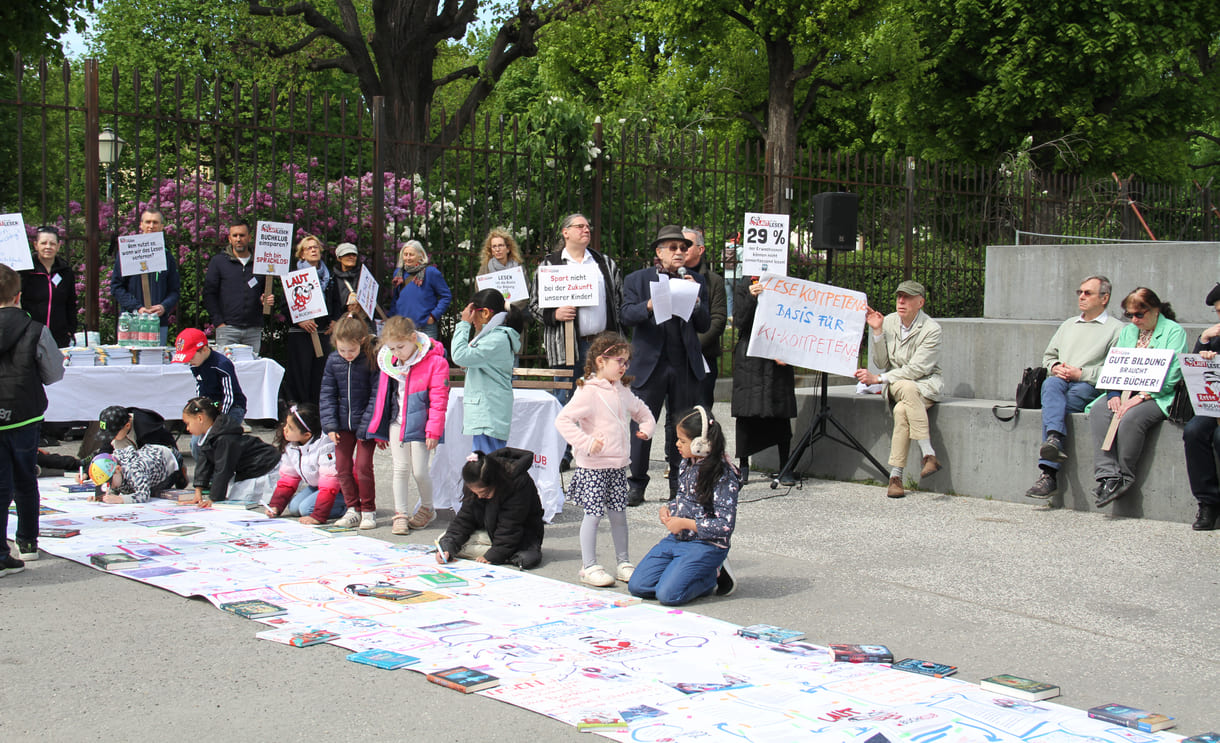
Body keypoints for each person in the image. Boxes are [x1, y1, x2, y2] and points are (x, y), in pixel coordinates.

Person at [555, 331, 656, 588]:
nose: (624, 367)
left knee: (619, 514)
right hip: (593, 467)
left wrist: (647, 427)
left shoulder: (622, 390)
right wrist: (586, 443)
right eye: (619, 361)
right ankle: (588, 565)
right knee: (593, 514)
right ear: (601, 361)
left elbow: (642, 411)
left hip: (617, 465)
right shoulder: (588, 391)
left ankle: (624, 562)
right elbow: (563, 420)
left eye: (627, 362)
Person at [620, 225, 711, 505]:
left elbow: (704, 325)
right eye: (673, 248)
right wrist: (648, 305)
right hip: (650, 364)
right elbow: (625, 315)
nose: (679, 252)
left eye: (683, 247)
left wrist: (697, 303)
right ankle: (636, 483)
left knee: (681, 426)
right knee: (643, 424)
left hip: (683, 364)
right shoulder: (637, 279)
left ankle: (679, 484)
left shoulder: (695, 280)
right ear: (659, 252)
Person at [627, 406, 740, 606]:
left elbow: (724, 526)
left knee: (668, 595)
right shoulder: (686, 463)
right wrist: (669, 509)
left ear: (700, 444)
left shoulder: (722, 474)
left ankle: (712, 575)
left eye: (683, 441)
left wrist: (685, 524)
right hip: (678, 538)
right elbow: (683, 497)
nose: (677, 444)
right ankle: (683, 572)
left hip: (707, 544)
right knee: (638, 586)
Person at [1088, 287, 1187, 509]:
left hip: (1158, 394)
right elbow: (1116, 365)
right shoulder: (1128, 332)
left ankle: (1125, 475)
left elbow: (1173, 374)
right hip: (1125, 389)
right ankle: (1107, 475)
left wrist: (1141, 396)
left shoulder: (1174, 331)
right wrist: (1114, 393)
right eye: (1129, 315)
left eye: (1139, 314)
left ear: (1155, 310)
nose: (1134, 320)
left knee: (1132, 418)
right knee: (1100, 410)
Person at [1025, 276, 1122, 499]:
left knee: (1055, 408)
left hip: (1089, 385)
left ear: (1104, 298)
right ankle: (1053, 440)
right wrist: (1055, 366)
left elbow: (1115, 370)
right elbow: (1048, 357)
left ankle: (1048, 472)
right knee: (1051, 383)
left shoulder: (1117, 329)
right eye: (1080, 292)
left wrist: (1082, 374)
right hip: (1060, 381)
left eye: (1088, 293)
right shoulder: (1068, 325)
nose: (1081, 296)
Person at [0, 262, 65, 574]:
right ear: (18, 296)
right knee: (25, 479)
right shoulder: (35, 329)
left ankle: (1, 554)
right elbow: (54, 373)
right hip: (25, 414)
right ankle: (27, 542)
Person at [853, 279, 944, 498]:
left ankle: (896, 476)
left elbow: (917, 369)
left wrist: (878, 379)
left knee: (902, 409)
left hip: (925, 384)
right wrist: (877, 331)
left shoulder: (931, 329)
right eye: (899, 296)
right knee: (906, 386)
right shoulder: (889, 321)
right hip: (896, 383)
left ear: (920, 302)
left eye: (908, 297)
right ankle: (928, 453)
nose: (901, 301)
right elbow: (881, 362)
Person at [365, 316, 450, 535]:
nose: (397, 353)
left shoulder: (435, 362)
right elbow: (382, 397)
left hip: (421, 425)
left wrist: (433, 430)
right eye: (392, 348)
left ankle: (428, 508)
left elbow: (439, 400)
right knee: (400, 469)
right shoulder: (390, 362)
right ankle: (400, 514)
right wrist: (378, 428)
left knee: (420, 471)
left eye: (400, 347)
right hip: (396, 422)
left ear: (413, 338)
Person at [530, 213, 622, 404]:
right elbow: (533, 305)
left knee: (603, 402)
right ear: (566, 232)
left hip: (603, 344)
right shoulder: (550, 264)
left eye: (588, 226)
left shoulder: (604, 263)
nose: (586, 229)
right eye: (580, 226)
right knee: (566, 403)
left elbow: (619, 300)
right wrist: (554, 314)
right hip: (565, 347)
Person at [731, 277, 797, 485]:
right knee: (745, 412)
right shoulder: (745, 285)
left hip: (778, 354)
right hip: (750, 356)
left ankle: (785, 465)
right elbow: (740, 321)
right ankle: (743, 466)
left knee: (780, 412)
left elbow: (794, 319)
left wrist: (787, 347)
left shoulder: (785, 283)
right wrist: (751, 297)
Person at [435, 447, 545, 569]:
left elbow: (510, 527)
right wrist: (447, 548)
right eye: (475, 493)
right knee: (445, 542)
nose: (480, 496)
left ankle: (506, 554)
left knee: (525, 556)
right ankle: (503, 554)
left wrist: (493, 555)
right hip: (490, 531)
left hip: (520, 534)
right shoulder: (475, 481)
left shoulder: (517, 483)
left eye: (484, 493)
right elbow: (465, 519)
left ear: (494, 482)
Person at [322, 316, 379, 530]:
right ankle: (352, 508)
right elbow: (327, 394)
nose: (347, 354)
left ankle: (368, 509)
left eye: (351, 350)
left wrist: (368, 425)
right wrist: (330, 426)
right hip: (341, 424)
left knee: (363, 466)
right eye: (342, 350)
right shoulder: (333, 361)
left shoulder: (370, 359)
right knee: (342, 466)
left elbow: (376, 395)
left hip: (365, 423)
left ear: (361, 341)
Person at [451, 289, 523, 455]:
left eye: (472, 313)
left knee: (488, 463)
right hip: (487, 412)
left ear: (484, 313)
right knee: (485, 461)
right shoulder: (492, 337)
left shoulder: (496, 339)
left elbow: (459, 355)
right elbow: (468, 360)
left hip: (488, 413)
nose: (470, 318)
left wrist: (463, 324)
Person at [182, 397, 280, 508]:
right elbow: (204, 462)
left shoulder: (224, 438)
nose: (187, 428)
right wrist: (198, 491)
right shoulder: (209, 435)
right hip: (247, 469)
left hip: (265, 465)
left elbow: (223, 469)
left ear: (200, 418)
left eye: (188, 423)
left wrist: (214, 499)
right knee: (231, 494)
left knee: (238, 498)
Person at [110, 209, 181, 345]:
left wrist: (163, 307)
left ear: (162, 226)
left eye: (155, 222)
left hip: (158, 323)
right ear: (141, 225)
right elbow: (116, 287)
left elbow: (174, 290)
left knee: (155, 358)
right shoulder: (127, 253)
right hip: (131, 321)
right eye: (148, 222)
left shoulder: (167, 256)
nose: (151, 226)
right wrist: (137, 307)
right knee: (130, 358)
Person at [265, 403, 344, 524]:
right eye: (286, 424)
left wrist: (318, 516)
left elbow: (330, 483)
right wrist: (275, 505)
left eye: (290, 428)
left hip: (340, 488)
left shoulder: (326, 447)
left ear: (306, 435)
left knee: (306, 509)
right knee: (294, 507)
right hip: (317, 485)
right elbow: (288, 478)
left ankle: (349, 507)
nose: (285, 429)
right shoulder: (292, 446)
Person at [203, 221, 274, 354]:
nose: (238, 239)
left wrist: (266, 299)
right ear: (229, 238)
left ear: (249, 237)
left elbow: (266, 291)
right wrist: (219, 323)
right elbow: (209, 294)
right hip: (227, 329)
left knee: (251, 365)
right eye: (235, 235)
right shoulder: (219, 261)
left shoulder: (260, 263)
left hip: (253, 329)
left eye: (242, 235)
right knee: (227, 366)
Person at [1183, 283, 1220, 530]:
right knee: (1194, 431)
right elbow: (1194, 374)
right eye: (1218, 312)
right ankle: (1208, 502)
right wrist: (1204, 343)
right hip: (1214, 406)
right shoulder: (1215, 336)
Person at [282, 233, 332, 406]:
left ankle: (317, 410)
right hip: (301, 334)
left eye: (315, 247)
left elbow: (334, 301)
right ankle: (301, 409)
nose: (313, 250)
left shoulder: (328, 276)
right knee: (301, 374)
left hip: (322, 332)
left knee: (319, 374)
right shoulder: (293, 277)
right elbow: (285, 305)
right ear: (302, 254)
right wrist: (299, 321)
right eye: (308, 248)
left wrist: (334, 321)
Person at [682, 227, 727, 409]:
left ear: (700, 249)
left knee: (702, 412)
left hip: (703, 357)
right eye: (678, 245)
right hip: (675, 358)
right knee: (675, 415)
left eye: (687, 245)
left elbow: (718, 320)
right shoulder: (667, 276)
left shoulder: (714, 281)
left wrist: (692, 346)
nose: (681, 249)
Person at [20, 225, 76, 348]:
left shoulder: (66, 271)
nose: (48, 247)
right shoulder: (26, 271)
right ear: (36, 245)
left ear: (58, 246)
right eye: (43, 243)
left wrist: (71, 329)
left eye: (52, 243)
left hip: (59, 337)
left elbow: (71, 303)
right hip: (31, 335)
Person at [390, 240, 451, 339]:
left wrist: (433, 316)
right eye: (405, 254)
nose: (408, 258)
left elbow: (446, 296)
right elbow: (396, 298)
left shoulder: (431, 272)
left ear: (420, 256)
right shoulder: (398, 274)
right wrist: (390, 317)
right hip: (402, 327)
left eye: (411, 255)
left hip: (425, 328)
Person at [83, 444, 182, 504]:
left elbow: (144, 495)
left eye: (109, 482)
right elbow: (115, 487)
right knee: (128, 489)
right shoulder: (116, 472)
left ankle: (181, 475)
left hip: (169, 460)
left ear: (118, 469)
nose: (109, 486)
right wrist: (101, 497)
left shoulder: (134, 470)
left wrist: (120, 499)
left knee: (153, 492)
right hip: (151, 457)